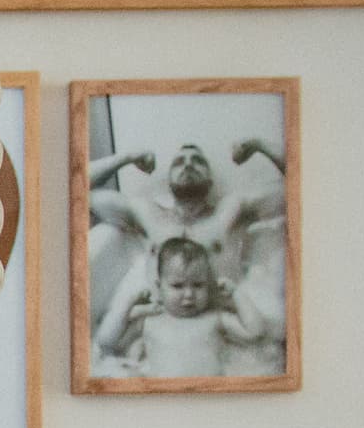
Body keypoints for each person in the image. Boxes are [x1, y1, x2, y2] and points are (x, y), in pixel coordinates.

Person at [84, 133, 288, 375]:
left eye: (197, 161)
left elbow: (302, 183)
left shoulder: (232, 210)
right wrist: (127, 157)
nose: (188, 164)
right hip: (160, 326)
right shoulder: (145, 212)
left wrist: (259, 145)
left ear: (211, 180)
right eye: (179, 162)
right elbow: (73, 187)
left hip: (221, 327)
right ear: (169, 179)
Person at [99, 237, 266, 377]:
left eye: (198, 285)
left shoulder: (214, 318)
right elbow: (106, 342)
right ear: (159, 287)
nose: (189, 294)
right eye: (178, 286)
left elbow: (256, 332)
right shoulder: (149, 320)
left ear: (209, 286)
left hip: (209, 395)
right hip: (163, 398)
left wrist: (236, 294)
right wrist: (127, 304)